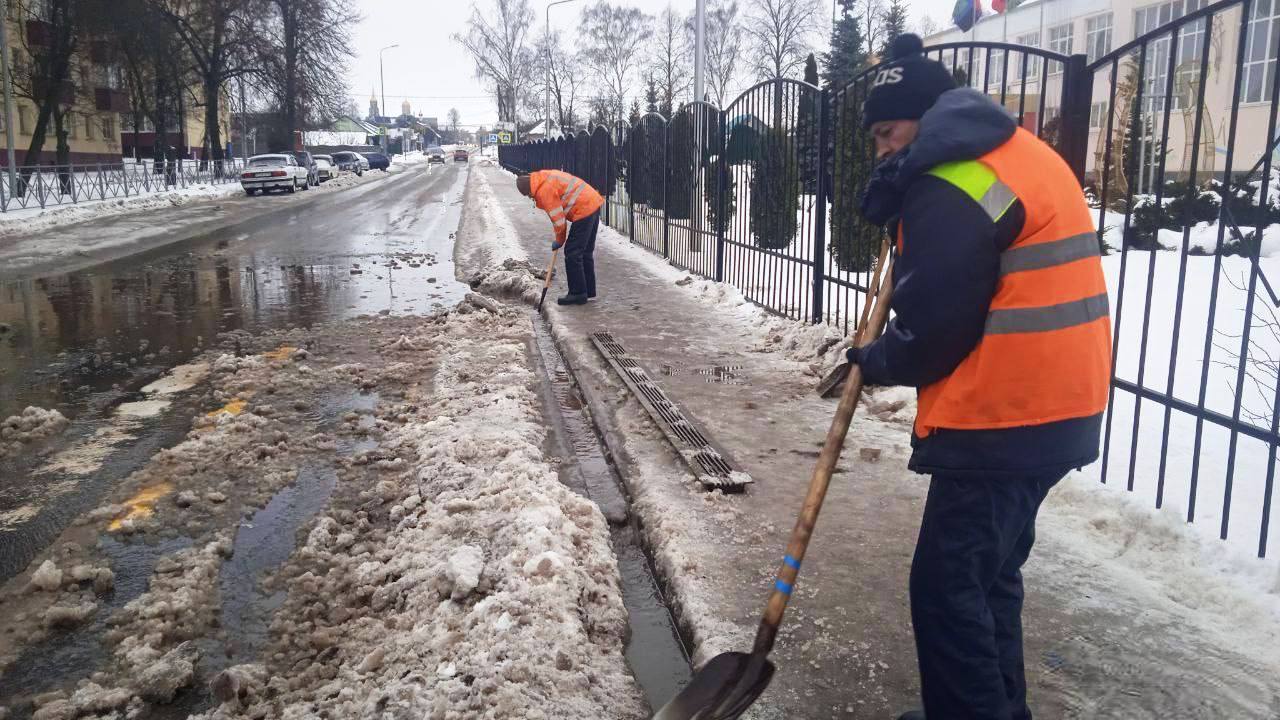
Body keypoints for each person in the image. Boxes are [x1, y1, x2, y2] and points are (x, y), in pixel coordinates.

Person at [845, 34, 1112, 720]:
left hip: (1006, 413)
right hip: (1059, 405)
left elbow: (935, 326)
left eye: (887, 131)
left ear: (925, 115)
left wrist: (877, 359)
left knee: (947, 587)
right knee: (986, 579)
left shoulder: (952, 178)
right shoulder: (1016, 153)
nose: (881, 148)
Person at [516, 170, 604, 305]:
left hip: (584, 208)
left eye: (528, 195)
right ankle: (588, 290)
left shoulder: (544, 191)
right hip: (592, 201)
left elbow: (559, 221)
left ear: (529, 190)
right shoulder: (542, 177)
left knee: (572, 252)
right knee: (585, 251)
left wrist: (559, 240)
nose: (530, 198)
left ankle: (578, 293)